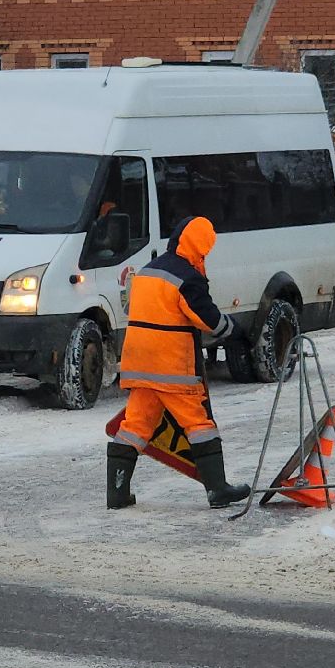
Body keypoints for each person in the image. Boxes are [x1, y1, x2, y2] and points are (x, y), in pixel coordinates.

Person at [106, 216, 252, 510]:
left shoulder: (149, 270)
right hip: (171, 365)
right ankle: (218, 490)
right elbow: (207, 318)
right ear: (200, 246)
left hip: (138, 361)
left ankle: (117, 494)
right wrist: (237, 331)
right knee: (199, 424)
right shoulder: (188, 278)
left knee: (135, 425)